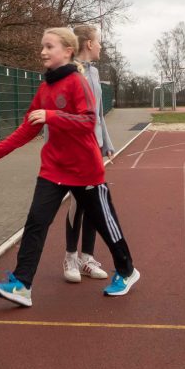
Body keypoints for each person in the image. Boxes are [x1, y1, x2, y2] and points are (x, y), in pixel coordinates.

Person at [0, 28, 140, 306]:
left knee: (105, 223)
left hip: (85, 170)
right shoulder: (44, 87)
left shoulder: (78, 83)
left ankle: (127, 270)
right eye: (42, 46)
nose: (43, 51)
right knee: (35, 222)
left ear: (67, 50)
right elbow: (28, 127)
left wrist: (53, 115)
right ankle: (22, 285)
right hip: (53, 169)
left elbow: (88, 122)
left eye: (49, 46)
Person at [63, 24, 114, 282]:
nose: (101, 46)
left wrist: (106, 143)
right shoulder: (69, 73)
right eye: (99, 41)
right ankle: (70, 257)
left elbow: (98, 114)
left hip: (94, 150)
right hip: (73, 150)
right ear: (89, 44)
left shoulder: (94, 75)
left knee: (95, 203)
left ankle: (87, 257)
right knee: (77, 204)